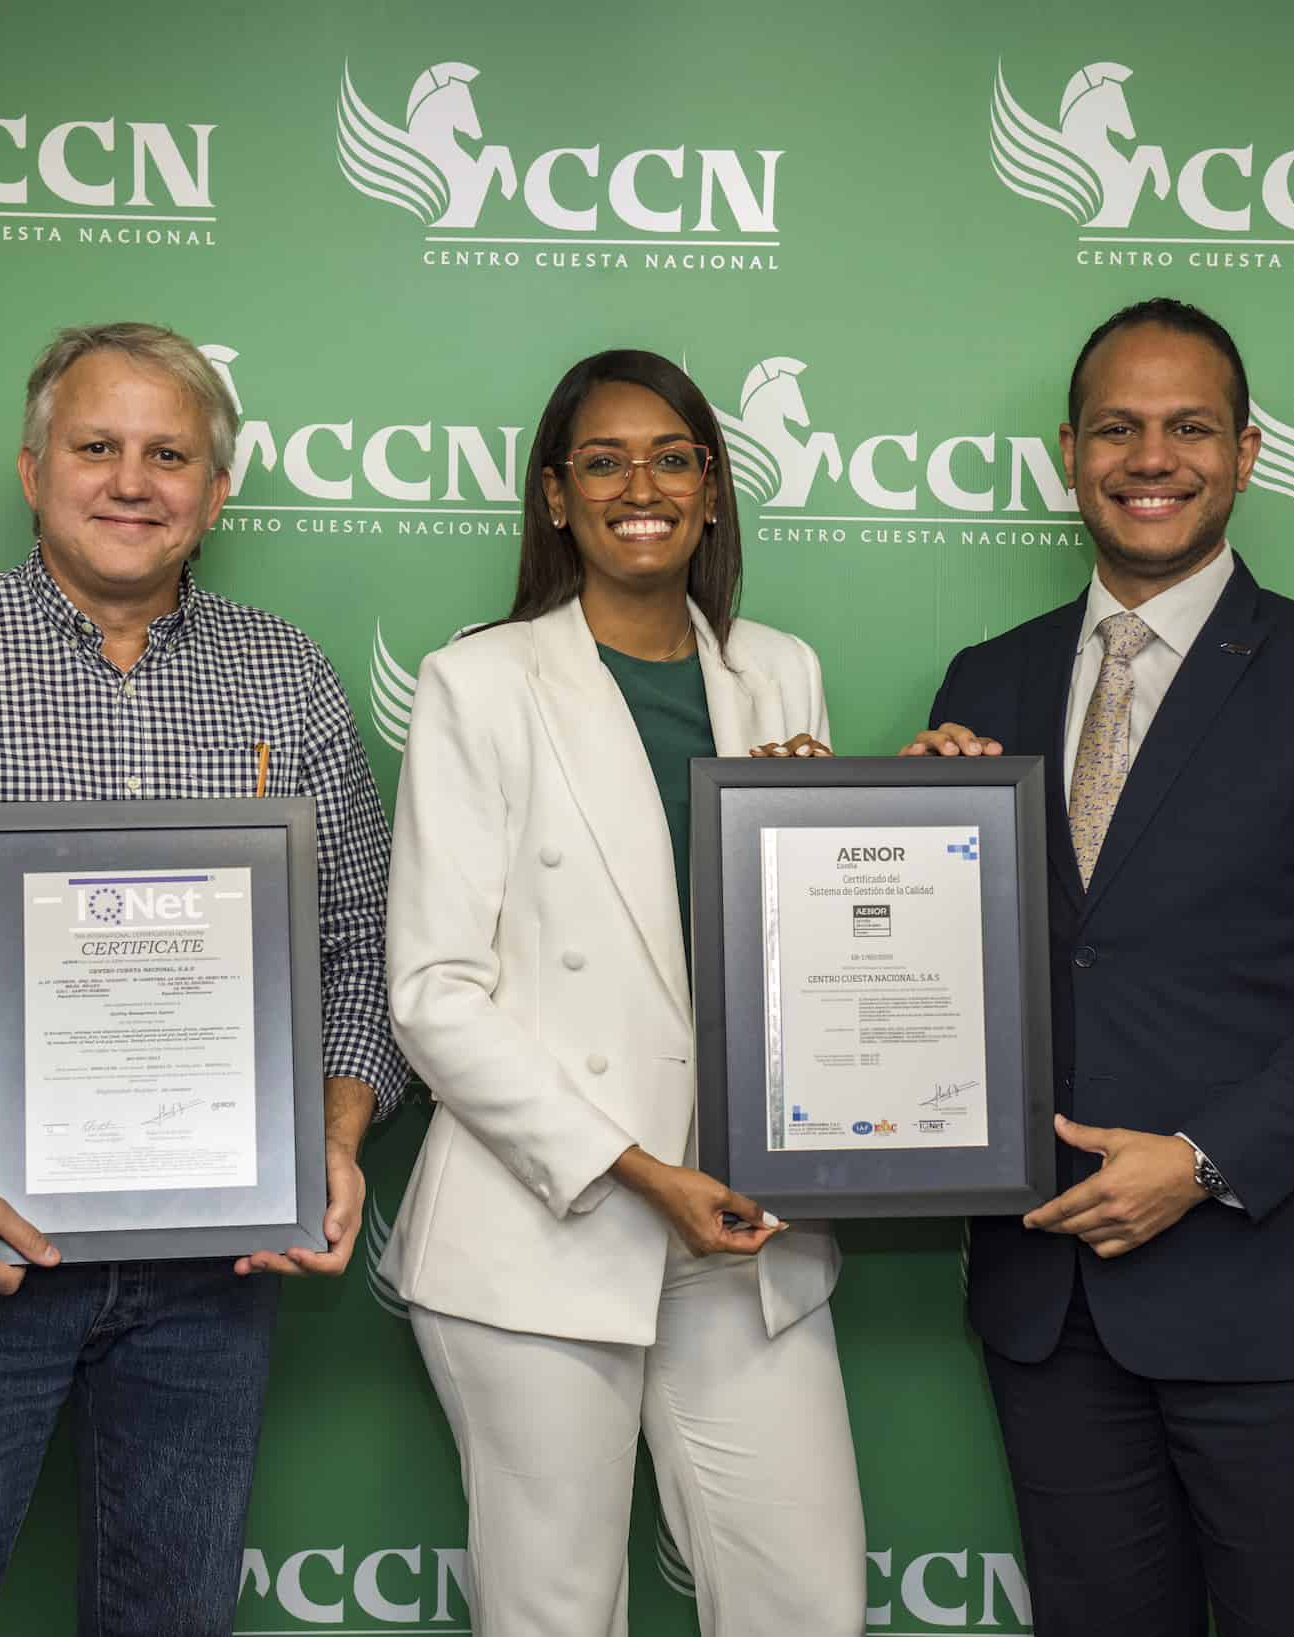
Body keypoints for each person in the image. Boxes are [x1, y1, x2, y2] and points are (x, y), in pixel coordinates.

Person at [0, 321, 407, 1636]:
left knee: (175, 1616)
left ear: (215, 495)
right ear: (34, 468)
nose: (131, 479)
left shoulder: (288, 675)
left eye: (170, 454)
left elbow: (357, 946)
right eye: (97, 446)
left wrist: (331, 1138)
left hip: (220, 1250)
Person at [904, 297, 1294, 1637]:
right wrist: (911, 843)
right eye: (1118, 427)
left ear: (1248, 453)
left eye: (1188, 427)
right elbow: (969, 974)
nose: (1151, 457)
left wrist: (1202, 1158)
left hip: (1282, 1303)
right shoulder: (989, 678)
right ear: (1067, 452)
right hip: (1054, 1306)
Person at [377, 350, 866, 1637]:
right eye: (603, 460)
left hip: (748, 1226)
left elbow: (815, 953)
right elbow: (432, 992)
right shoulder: (478, 682)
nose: (638, 485)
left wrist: (904, 818)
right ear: (555, 496)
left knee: (805, 1601)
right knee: (553, 1612)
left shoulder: (781, 672)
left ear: (712, 488)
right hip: (550, 1223)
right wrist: (640, 1168)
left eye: (672, 456)